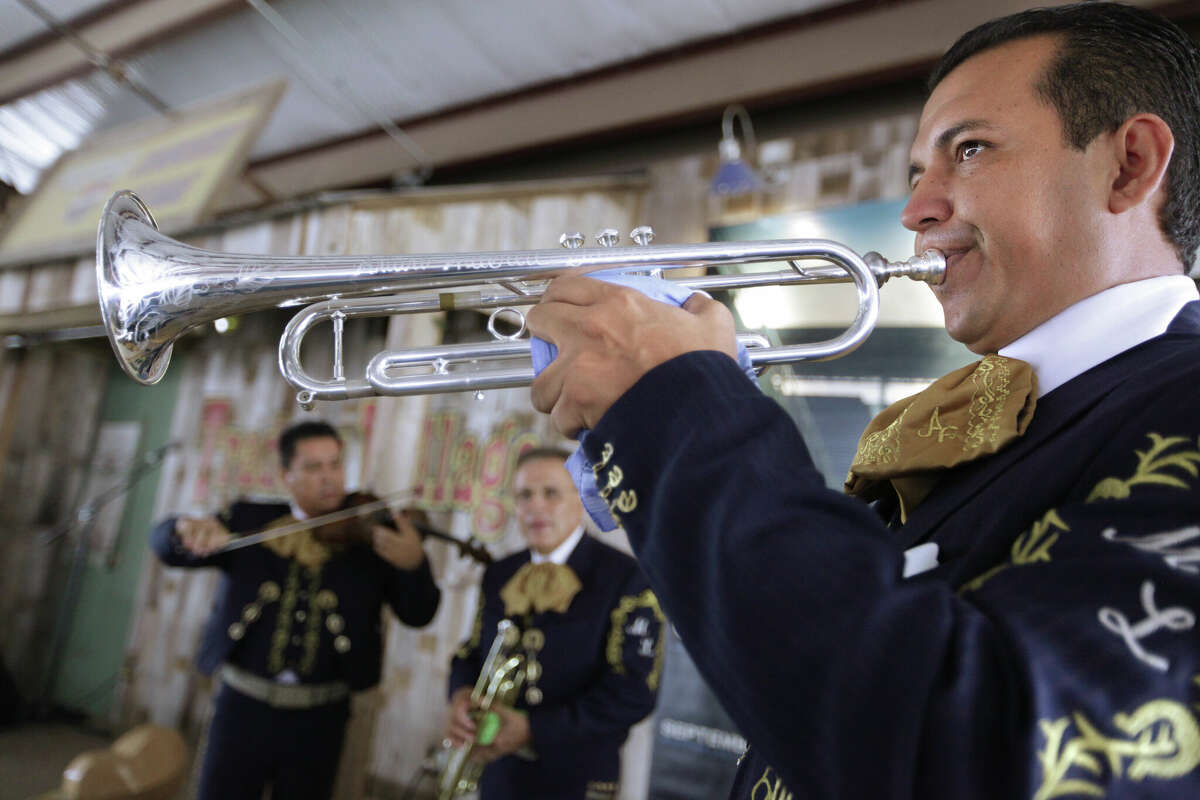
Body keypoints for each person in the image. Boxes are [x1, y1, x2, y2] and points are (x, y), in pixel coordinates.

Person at [525, 3, 1200, 798]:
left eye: (970, 150)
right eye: (919, 173)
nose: (917, 209)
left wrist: (678, 412)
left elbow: (975, 751)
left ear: (1129, 163)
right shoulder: (985, 417)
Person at [150, 420, 440, 800]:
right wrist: (182, 528)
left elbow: (419, 614)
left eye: (335, 465)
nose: (329, 479)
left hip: (322, 715)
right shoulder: (250, 520)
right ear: (287, 475)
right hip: (242, 706)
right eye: (313, 467)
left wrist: (414, 566)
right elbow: (166, 548)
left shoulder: (369, 535)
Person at [444, 447, 663, 799]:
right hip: (501, 776)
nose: (536, 507)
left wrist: (534, 729)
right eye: (524, 495)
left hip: (578, 779)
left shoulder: (626, 578)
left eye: (551, 493)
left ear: (582, 499)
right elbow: (471, 652)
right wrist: (460, 694)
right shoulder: (500, 573)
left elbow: (633, 692)